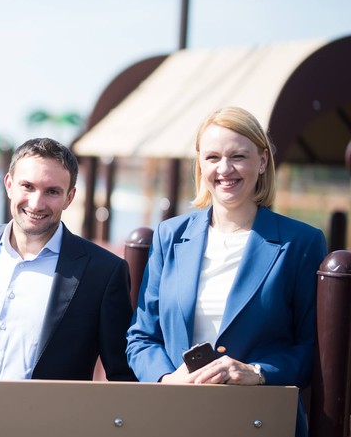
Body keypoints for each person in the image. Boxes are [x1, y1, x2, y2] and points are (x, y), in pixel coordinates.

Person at [126, 107, 326, 437]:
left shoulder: (301, 242)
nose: (224, 169)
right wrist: (166, 378)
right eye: (213, 157)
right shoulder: (169, 236)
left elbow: (313, 350)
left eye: (238, 156)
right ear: (200, 164)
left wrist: (257, 372)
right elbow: (142, 337)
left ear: (262, 161)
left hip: (261, 422)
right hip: (176, 419)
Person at [0, 137, 135, 381]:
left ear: (69, 197)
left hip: (45, 407)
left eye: (52, 191)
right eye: (27, 186)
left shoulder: (103, 272)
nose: (36, 204)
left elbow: (121, 373)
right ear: (9, 185)